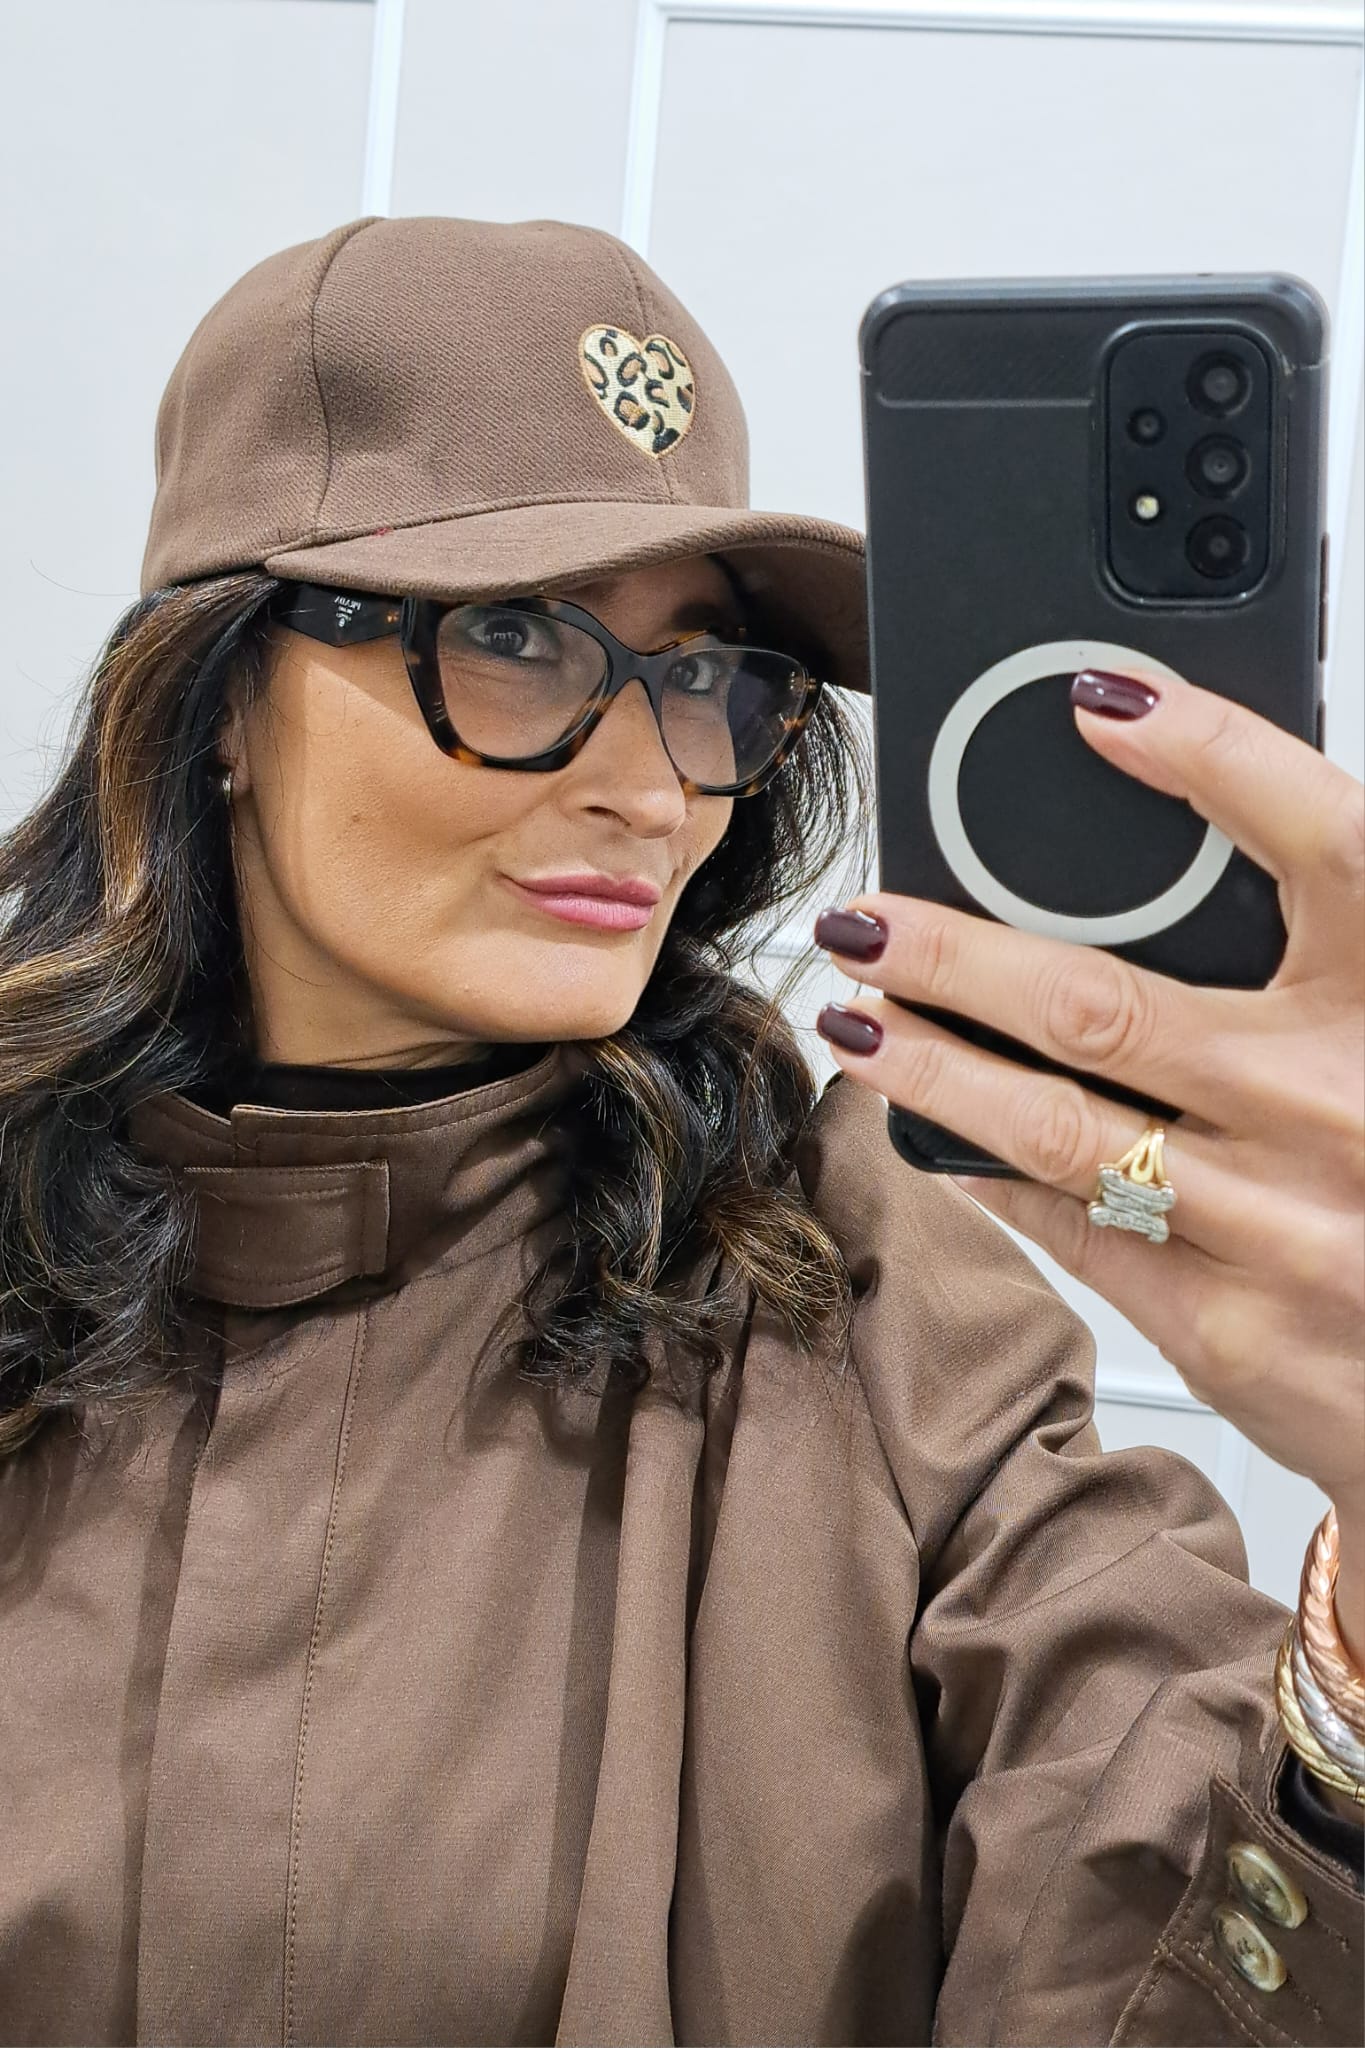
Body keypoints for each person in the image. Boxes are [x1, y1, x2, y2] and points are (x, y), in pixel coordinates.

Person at [0, 214, 1359, 2048]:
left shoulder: (845, 1270)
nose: (653, 790)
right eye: (511, 639)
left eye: (709, 677)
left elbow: (1147, 1893)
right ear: (220, 691)